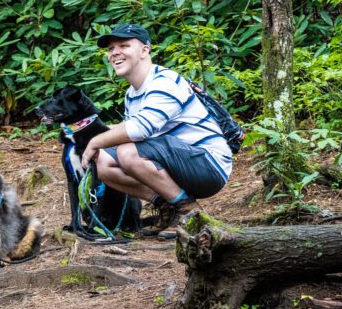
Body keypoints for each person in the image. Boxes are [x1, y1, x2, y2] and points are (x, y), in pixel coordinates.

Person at [81, 24, 232, 239]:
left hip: (208, 165)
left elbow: (140, 129)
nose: (115, 53)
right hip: (179, 161)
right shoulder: (132, 93)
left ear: (145, 50)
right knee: (104, 162)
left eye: (124, 45)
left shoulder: (164, 82)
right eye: (111, 48)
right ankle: (168, 206)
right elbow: (135, 133)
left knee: (127, 152)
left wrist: (95, 141)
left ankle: (189, 210)